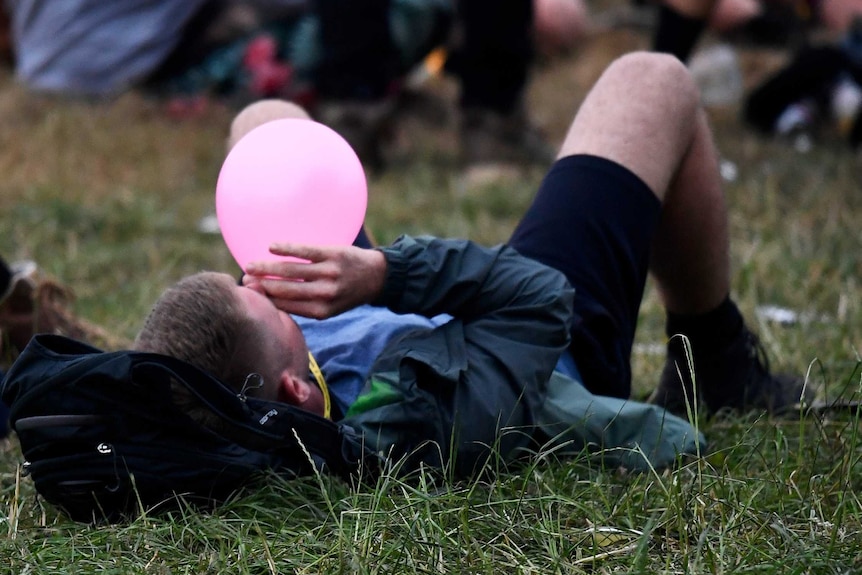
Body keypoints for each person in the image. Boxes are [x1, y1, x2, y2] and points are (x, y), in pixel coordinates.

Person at [135, 52, 808, 474]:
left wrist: (326, 289)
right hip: (531, 348)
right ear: (296, 392)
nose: (262, 281)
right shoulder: (419, 418)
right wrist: (385, 274)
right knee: (653, 81)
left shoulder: (261, 387)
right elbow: (537, 295)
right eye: (265, 300)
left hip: (379, 318)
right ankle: (717, 364)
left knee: (268, 121)